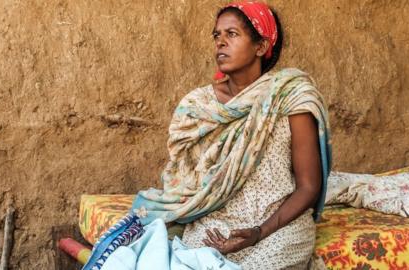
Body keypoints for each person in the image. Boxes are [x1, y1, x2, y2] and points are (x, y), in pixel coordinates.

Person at [130, 1, 332, 269]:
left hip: (276, 228)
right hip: (216, 225)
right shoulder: (198, 107)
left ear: (261, 46)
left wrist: (260, 232)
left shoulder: (290, 98)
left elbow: (309, 186)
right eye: (217, 35)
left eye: (232, 34)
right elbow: (186, 181)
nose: (220, 43)